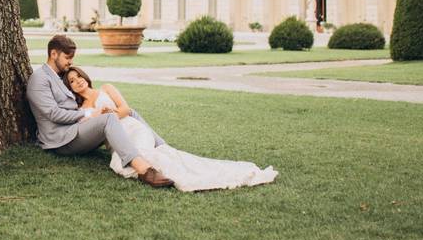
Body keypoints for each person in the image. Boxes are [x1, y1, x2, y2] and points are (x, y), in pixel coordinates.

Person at [63, 66, 278, 192]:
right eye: (72, 81)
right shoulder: (82, 110)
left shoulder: (106, 88)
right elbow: (91, 134)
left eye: (78, 76)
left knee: (146, 153)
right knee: (120, 163)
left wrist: (110, 114)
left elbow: (126, 109)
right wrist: (97, 117)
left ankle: (165, 175)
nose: (78, 82)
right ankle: (164, 173)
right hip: (116, 143)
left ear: (85, 76)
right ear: (70, 88)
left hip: (133, 129)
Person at [25, 34, 174, 188]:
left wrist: (92, 114)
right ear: (53, 54)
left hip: (76, 128)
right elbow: (53, 114)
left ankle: (162, 145)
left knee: (128, 112)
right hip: (60, 140)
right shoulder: (39, 78)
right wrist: (89, 113)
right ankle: (144, 170)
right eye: (67, 57)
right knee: (109, 118)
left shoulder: (58, 76)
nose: (70, 62)